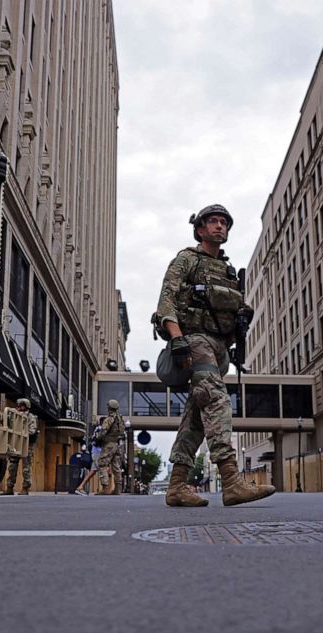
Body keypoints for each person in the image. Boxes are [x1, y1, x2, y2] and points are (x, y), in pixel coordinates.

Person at [153, 204, 276, 507]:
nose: (220, 226)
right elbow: (166, 301)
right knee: (216, 397)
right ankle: (232, 482)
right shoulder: (187, 260)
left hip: (220, 348)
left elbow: (229, 318)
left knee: (197, 415)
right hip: (193, 341)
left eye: (224, 223)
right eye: (214, 222)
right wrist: (177, 338)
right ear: (200, 229)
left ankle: (177, 486)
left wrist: (240, 322)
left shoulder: (230, 272)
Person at [3, 398, 38, 495]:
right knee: (12, 466)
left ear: (26, 406)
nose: (19, 408)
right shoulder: (14, 416)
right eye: (18, 406)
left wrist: (22, 433)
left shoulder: (30, 417)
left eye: (21, 406)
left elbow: (32, 430)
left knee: (26, 467)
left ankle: (25, 488)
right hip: (15, 444)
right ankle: (10, 488)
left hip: (26, 445)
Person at [95, 400, 125, 495]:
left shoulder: (109, 419)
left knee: (102, 464)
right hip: (117, 444)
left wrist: (97, 438)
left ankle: (105, 487)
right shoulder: (120, 419)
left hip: (109, 444)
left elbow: (103, 431)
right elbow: (122, 432)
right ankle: (118, 489)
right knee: (116, 466)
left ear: (109, 407)